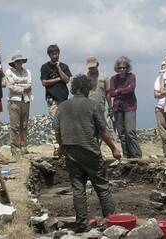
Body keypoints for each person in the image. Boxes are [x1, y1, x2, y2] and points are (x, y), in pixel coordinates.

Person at [53, 74, 122, 233]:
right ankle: (111, 221)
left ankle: (82, 224)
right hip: (90, 151)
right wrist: (113, 148)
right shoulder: (92, 105)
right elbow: (103, 131)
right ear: (87, 89)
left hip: (71, 152)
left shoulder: (62, 106)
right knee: (102, 186)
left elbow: (57, 131)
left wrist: (62, 147)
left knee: (78, 188)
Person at [40, 44, 72, 156]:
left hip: (64, 99)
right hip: (52, 99)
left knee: (65, 124)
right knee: (55, 124)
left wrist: (59, 68)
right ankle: (57, 147)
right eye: (53, 54)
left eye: (56, 53)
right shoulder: (45, 67)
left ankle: (66, 146)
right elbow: (44, 82)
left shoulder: (64, 66)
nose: (55, 56)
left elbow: (66, 79)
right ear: (49, 55)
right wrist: (59, 79)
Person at [109, 56, 142, 158]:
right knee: (121, 133)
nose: (122, 70)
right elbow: (111, 93)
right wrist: (123, 90)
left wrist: (118, 91)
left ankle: (136, 155)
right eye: (120, 68)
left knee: (130, 131)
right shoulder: (113, 79)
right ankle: (126, 155)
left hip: (129, 106)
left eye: (124, 67)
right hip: (118, 107)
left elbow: (131, 90)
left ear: (127, 68)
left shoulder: (131, 77)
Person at [6, 53, 32, 157]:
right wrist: (23, 87)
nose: (19, 63)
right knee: (15, 126)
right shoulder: (9, 72)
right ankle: (15, 148)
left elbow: (29, 84)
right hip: (14, 101)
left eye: (20, 61)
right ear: (13, 63)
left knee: (24, 125)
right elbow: (11, 87)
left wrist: (18, 86)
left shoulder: (27, 72)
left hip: (25, 100)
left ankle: (23, 145)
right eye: (17, 61)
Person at [85, 56, 113, 144]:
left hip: (100, 106)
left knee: (100, 129)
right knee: (90, 129)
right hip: (88, 106)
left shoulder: (103, 78)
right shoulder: (85, 78)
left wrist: (110, 107)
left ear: (97, 65)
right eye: (90, 67)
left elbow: (108, 92)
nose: (92, 69)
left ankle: (98, 149)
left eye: (93, 67)